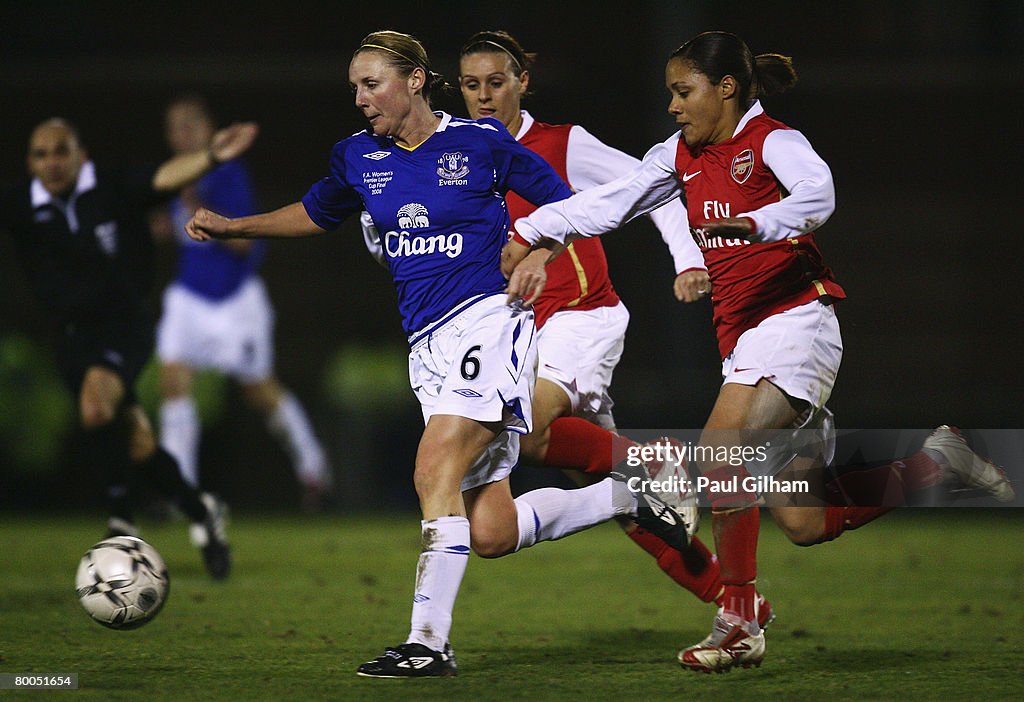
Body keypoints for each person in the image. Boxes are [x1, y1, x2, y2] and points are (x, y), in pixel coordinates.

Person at [184, 30, 693, 678]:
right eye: (354, 88)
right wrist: (233, 226)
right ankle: (629, 495)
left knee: (435, 466)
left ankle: (428, 642)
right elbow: (316, 214)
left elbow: (564, 204)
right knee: (491, 532)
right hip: (427, 344)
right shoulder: (357, 157)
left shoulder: (480, 144)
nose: (361, 99)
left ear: (416, 80)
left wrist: (538, 250)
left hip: (491, 322)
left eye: (371, 84)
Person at [506, 30, 1014, 673]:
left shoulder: (772, 140)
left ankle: (738, 622)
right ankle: (937, 466)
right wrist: (533, 228)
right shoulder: (679, 155)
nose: (673, 106)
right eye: (670, 93)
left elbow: (818, 195)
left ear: (725, 89)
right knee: (804, 521)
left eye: (684, 92)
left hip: (797, 321)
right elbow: (613, 202)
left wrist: (756, 224)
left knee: (722, 451)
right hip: (748, 340)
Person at [454, 30, 775, 625]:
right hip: (521, 335)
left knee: (521, 428)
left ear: (523, 82)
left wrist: (689, 259)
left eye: (496, 82)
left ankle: (658, 462)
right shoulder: (458, 163)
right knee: (618, 493)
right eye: (472, 85)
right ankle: (737, 605)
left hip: (581, 317)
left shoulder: (561, 143)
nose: (483, 96)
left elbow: (658, 191)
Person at [0, 116, 258, 579]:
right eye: (41, 154)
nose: (52, 163)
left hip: (124, 327)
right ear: (30, 163)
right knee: (137, 441)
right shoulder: (23, 205)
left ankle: (119, 521)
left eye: (61, 151)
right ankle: (202, 511)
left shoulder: (114, 187)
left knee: (96, 407)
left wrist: (213, 156)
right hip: (69, 338)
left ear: (81, 155)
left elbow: (164, 176)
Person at [153, 94, 332, 510]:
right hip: (189, 298)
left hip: (235, 300)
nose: (180, 134)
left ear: (206, 128)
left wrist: (204, 214)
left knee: (260, 390)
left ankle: (314, 467)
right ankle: (180, 488)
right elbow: (168, 228)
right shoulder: (173, 178)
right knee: (174, 383)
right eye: (173, 126)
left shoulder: (228, 174)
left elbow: (243, 245)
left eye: (188, 124)